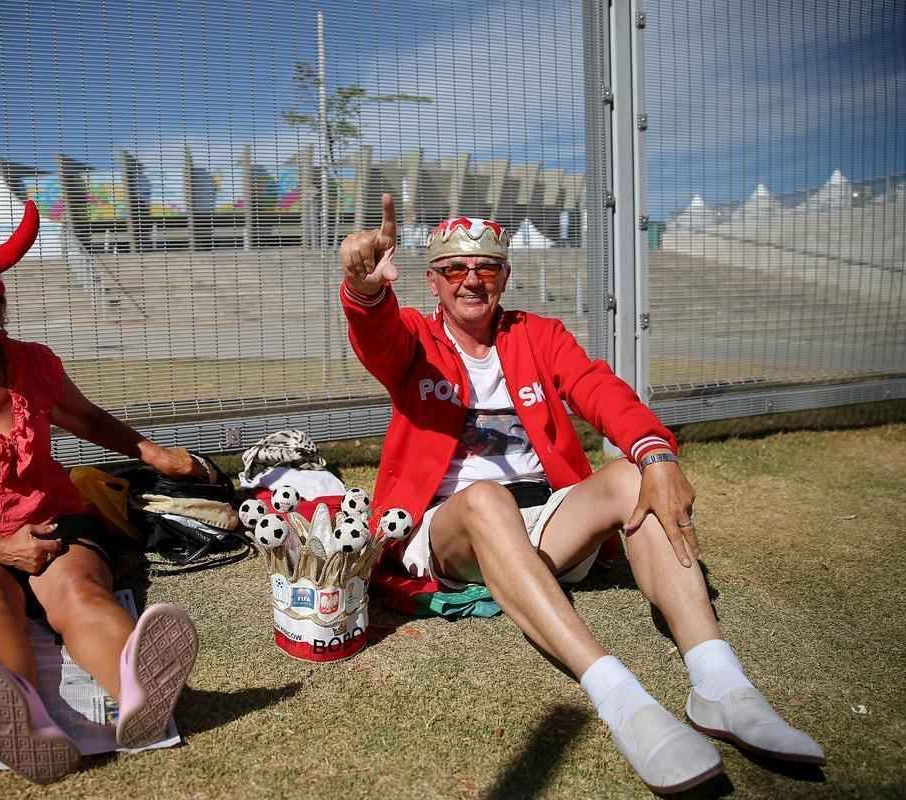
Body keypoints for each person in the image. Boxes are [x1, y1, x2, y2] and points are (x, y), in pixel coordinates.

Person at [339, 194, 824, 794]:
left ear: (504, 278)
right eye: (455, 271)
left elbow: (596, 387)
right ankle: (619, 697)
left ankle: (720, 684)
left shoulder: (537, 335)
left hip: (541, 518)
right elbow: (377, 336)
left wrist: (656, 453)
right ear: (433, 282)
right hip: (451, 526)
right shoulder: (414, 336)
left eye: (486, 269)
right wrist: (365, 293)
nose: (471, 281)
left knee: (629, 475)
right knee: (488, 496)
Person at [0, 202, 201, 784]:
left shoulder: (35, 364)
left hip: (51, 519)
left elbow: (88, 420)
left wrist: (152, 453)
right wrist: (3, 550)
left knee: (80, 597)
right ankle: (20, 723)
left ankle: (140, 692)